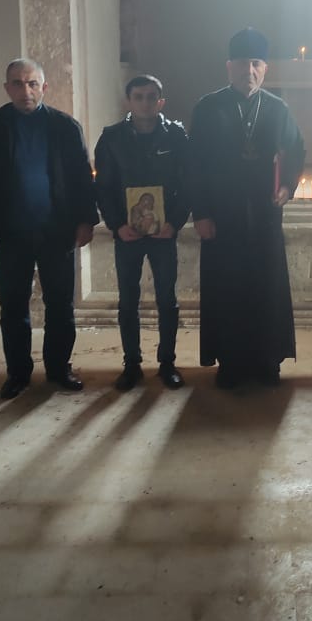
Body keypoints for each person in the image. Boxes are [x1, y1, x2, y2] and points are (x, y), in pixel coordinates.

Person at [0, 58, 98, 400]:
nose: (26, 90)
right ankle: (18, 373)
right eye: (18, 83)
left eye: (33, 83)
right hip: (10, 233)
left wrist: (86, 220)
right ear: (7, 88)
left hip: (57, 231)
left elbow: (82, 178)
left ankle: (59, 368)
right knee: (13, 307)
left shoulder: (65, 127)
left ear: (44, 87)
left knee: (60, 305)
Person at [189, 28, 305, 388]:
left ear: (265, 68)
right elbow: (194, 164)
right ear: (229, 66)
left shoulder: (278, 108)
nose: (249, 70)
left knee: (266, 287)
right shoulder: (208, 108)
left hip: (265, 216)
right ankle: (231, 362)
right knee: (227, 288)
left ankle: (268, 360)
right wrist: (201, 213)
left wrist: (287, 187)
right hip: (222, 217)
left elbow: (295, 151)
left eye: (256, 63)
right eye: (242, 63)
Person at [94, 75, 190, 391]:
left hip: (164, 233)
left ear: (161, 102)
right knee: (128, 300)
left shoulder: (176, 136)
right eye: (139, 97)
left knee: (167, 299)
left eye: (151, 97)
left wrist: (174, 222)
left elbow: (188, 184)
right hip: (128, 234)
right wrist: (117, 225)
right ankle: (132, 364)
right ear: (128, 101)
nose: (145, 103)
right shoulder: (112, 138)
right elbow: (103, 188)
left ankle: (167, 363)